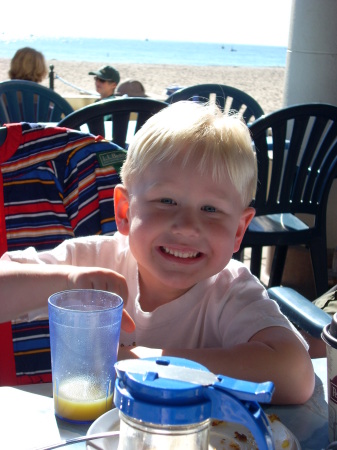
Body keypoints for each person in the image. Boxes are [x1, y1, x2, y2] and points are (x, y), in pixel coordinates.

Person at [0, 101, 314, 404]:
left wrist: (147, 362)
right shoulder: (91, 261)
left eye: (211, 208)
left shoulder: (230, 290)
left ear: (238, 231)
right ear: (123, 211)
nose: (188, 226)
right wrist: (66, 283)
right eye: (166, 201)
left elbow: (296, 375)